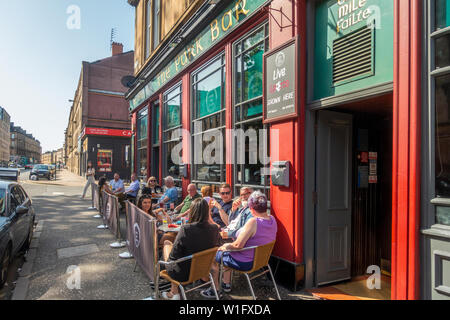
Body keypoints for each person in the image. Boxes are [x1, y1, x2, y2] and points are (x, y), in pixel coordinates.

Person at [201, 191, 277, 298]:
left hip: (245, 261)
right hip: (261, 260)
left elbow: (237, 246)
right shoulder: (272, 219)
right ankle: (226, 283)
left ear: (251, 208)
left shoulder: (253, 222)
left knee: (214, 254)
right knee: (226, 252)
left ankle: (215, 289)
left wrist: (224, 247)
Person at [161, 198, 221, 300]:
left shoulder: (186, 229)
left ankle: (174, 292)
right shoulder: (215, 229)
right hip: (203, 269)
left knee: (167, 244)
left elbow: (174, 255)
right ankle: (174, 291)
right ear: (208, 212)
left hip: (184, 273)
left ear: (192, 211)